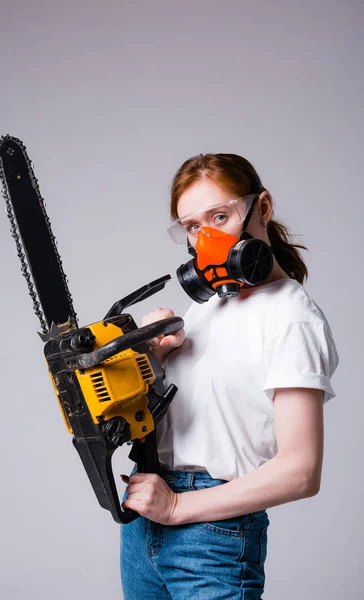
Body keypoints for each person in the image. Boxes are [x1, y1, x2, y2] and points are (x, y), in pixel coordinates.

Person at [119, 153, 339, 599]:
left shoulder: (290, 317)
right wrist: (152, 360)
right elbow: (191, 421)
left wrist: (180, 505)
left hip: (212, 534)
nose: (206, 237)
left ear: (262, 207)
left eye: (220, 215)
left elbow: (301, 471)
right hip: (146, 523)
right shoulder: (204, 308)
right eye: (193, 226)